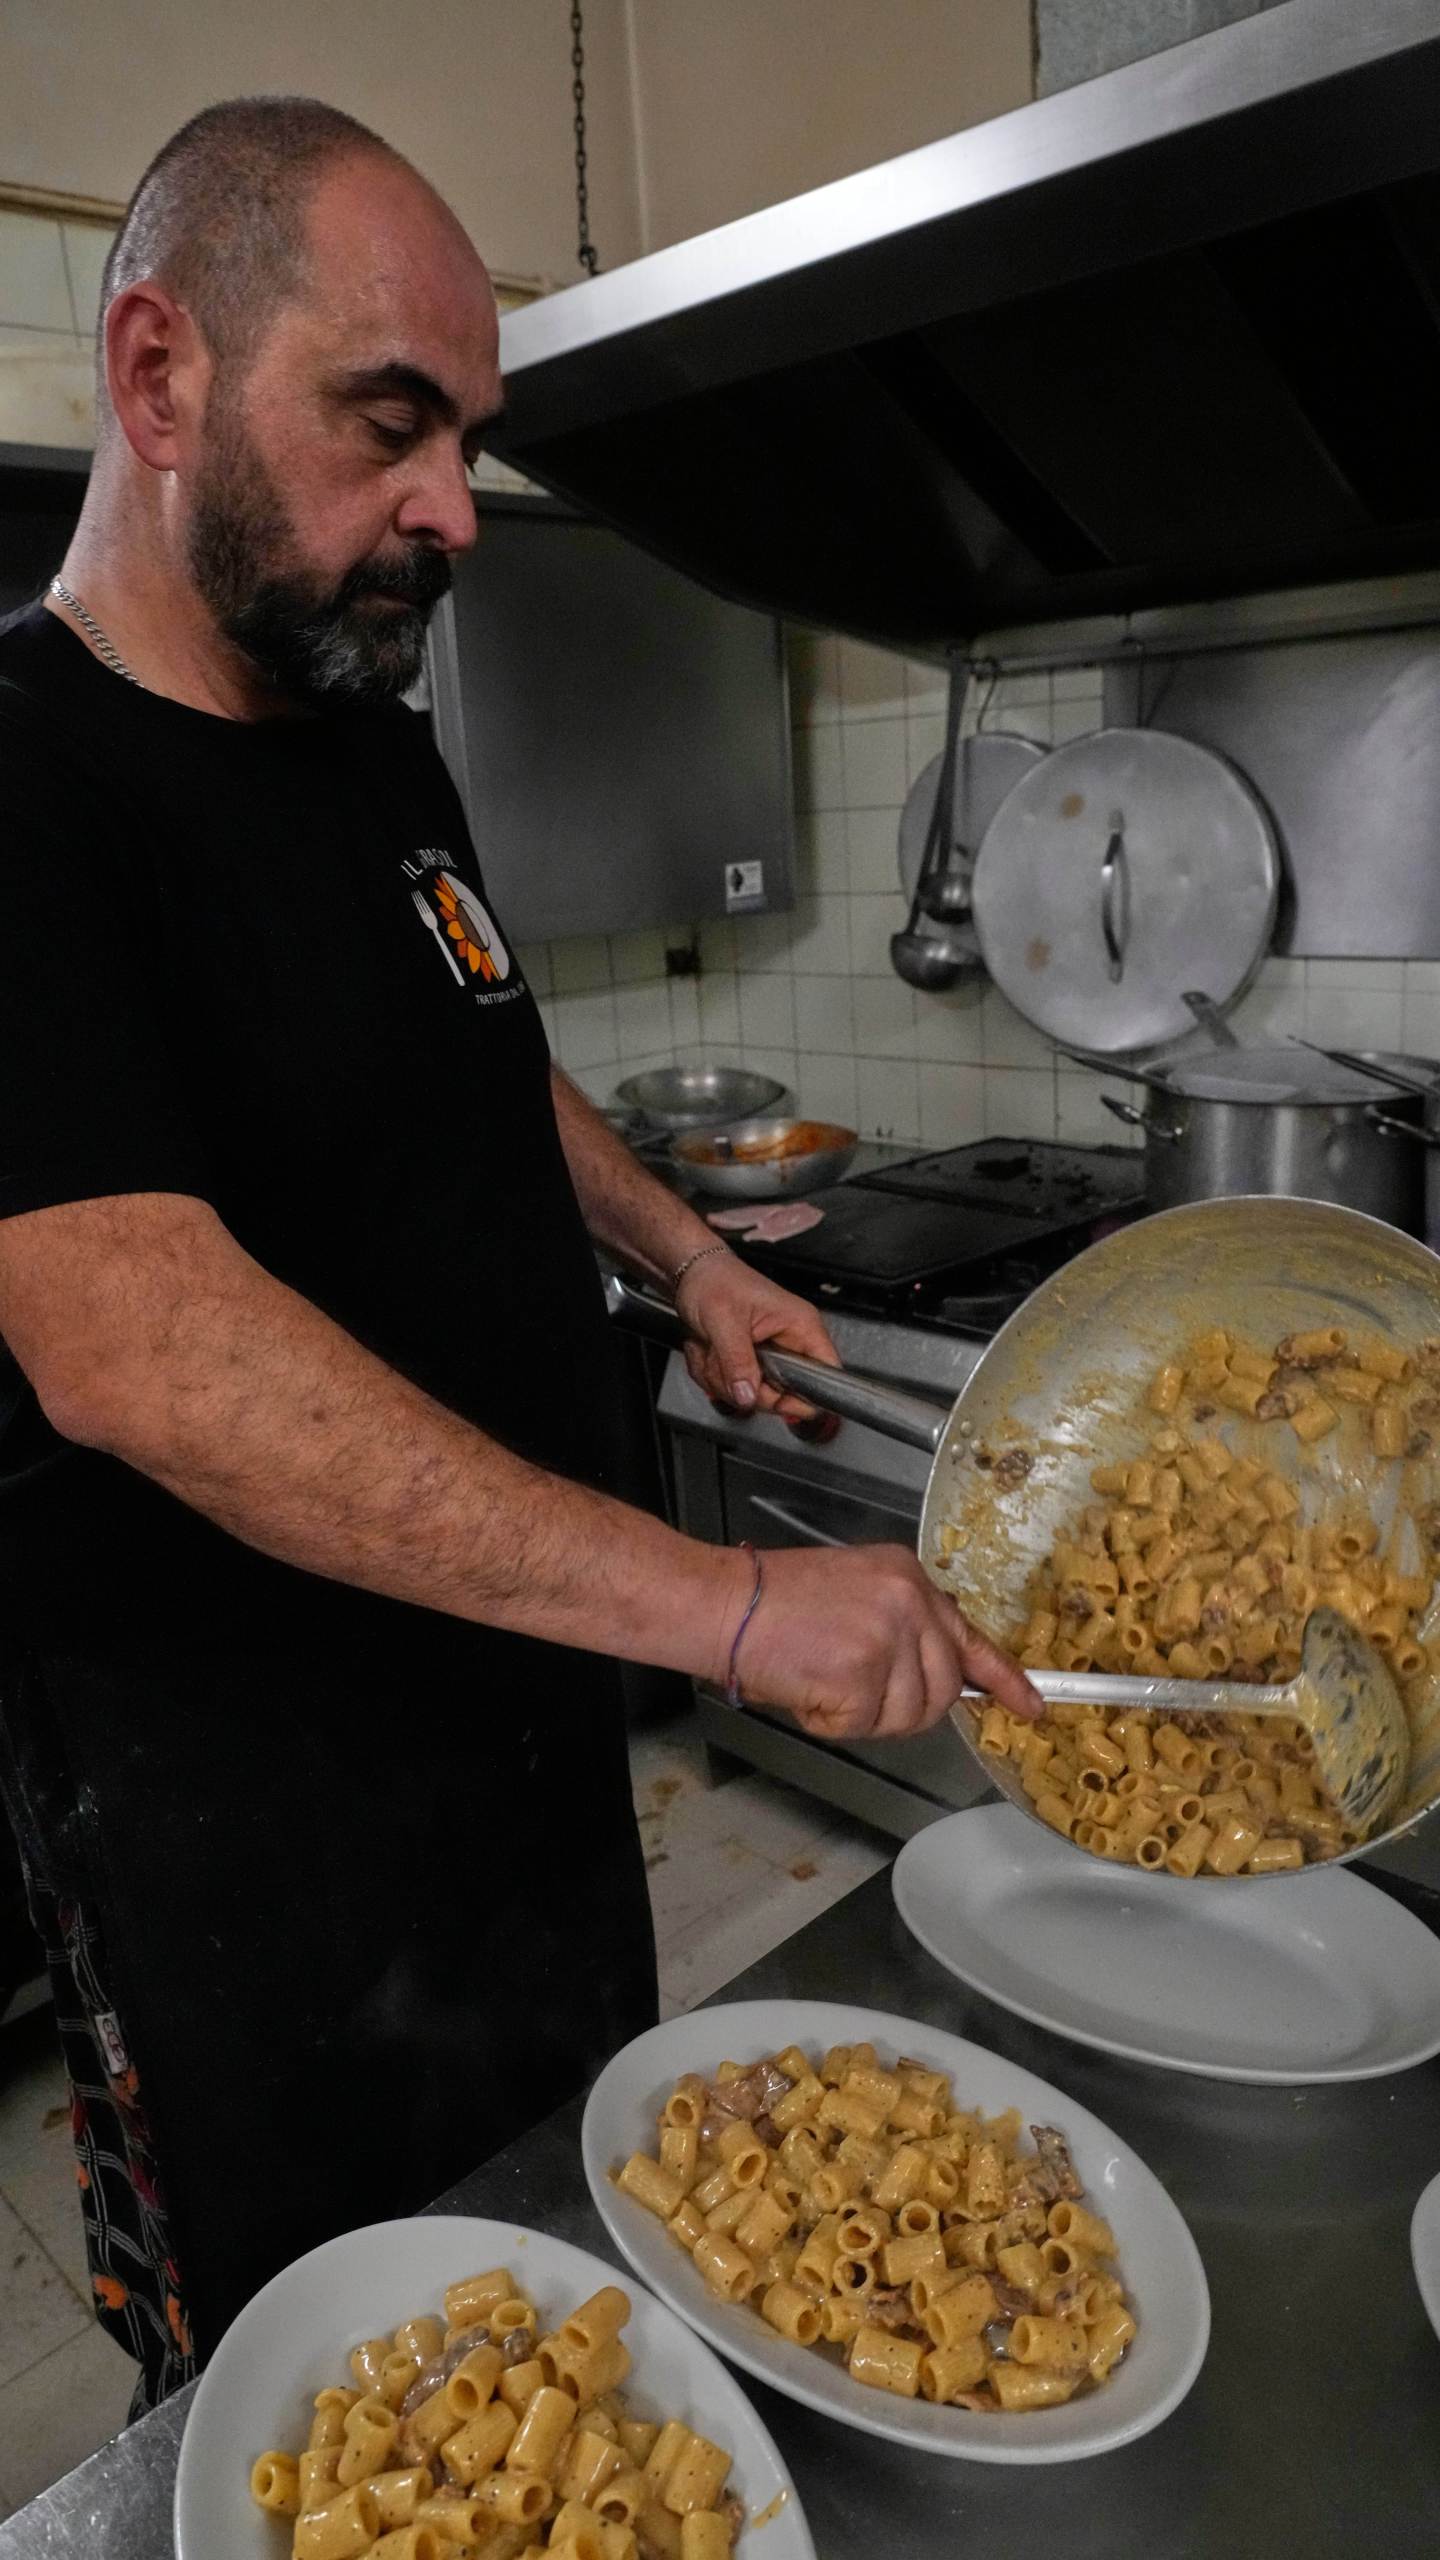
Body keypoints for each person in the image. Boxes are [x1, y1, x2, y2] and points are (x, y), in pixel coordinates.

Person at [0, 96, 1037, 2411]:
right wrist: (745, 1602)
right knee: (339, 2391)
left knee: (576, 2267)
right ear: (159, 376)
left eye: (469, 435)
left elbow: (482, 1048)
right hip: (240, 1845)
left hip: (529, 1724)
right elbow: (135, 1341)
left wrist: (685, 1255)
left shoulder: (366, 730)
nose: (459, 507)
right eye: (396, 421)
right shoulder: (29, 787)